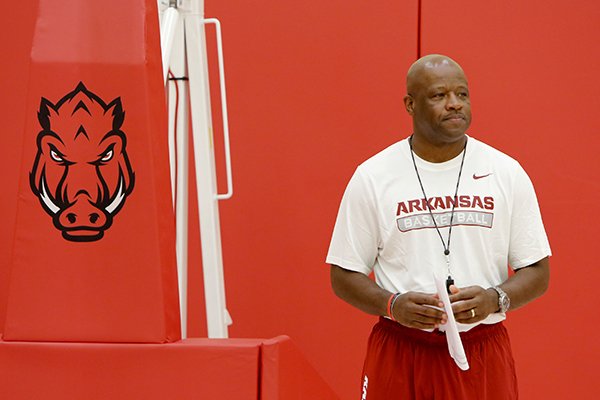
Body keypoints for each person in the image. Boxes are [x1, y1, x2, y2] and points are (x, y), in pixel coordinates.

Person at [326, 54, 551, 399]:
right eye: (439, 95)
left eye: (462, 94)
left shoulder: (506, 172)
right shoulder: (373, 177)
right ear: (410, 104)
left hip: (481, 346)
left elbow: (537, 270)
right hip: (402, 345)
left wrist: (495, 299)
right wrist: (391, 304)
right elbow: (343, 275)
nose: (454, 105)